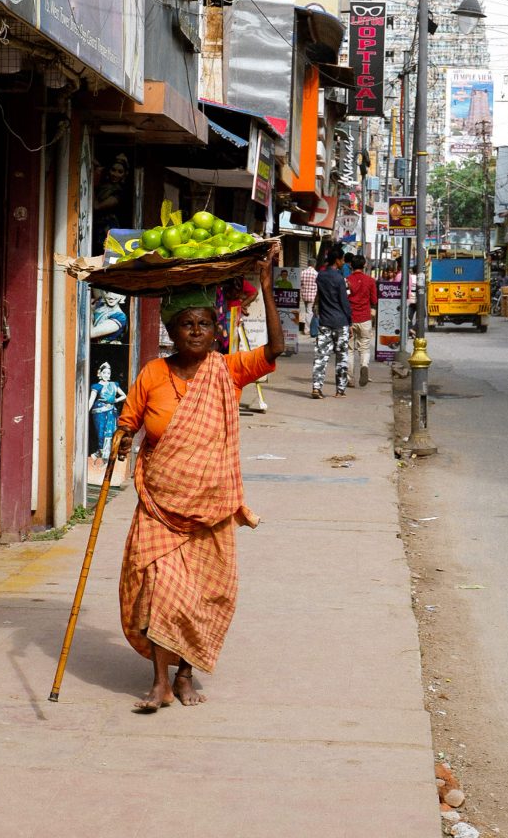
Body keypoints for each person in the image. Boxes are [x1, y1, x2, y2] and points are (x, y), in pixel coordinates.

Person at [116, 248, 284, 711]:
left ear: (216, 331)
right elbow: (129, 418)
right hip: (158, 505)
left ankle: (185, 674)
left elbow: (275, 351)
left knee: (199, 595)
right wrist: (124, 438)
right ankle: (160, 683)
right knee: (157, 588)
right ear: (170, 332)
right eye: (185, 324)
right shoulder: (153, 372)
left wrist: (267, 288)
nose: (195, 331)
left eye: (204, 324)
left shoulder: (227, 371)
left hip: (210, 508)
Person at [311, 244, 352, 399]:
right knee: (341, 357)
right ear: (337, 260)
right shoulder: (339, 278)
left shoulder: (320, 276)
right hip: (340, 322)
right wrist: (350, 321)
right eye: (341, 259)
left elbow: (319, 298)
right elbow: (344, 302)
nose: (342, 262)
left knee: (320, 356)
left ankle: (316, 388)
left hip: (324, 321)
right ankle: (340, 390)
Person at [346, 254, 378, 388]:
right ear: (364, 265)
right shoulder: (370, 281)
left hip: (350, 319)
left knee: (349, 349)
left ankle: (350, 379)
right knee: (364, 347)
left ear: (350, 265)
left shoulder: (347, 280)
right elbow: (374, 301)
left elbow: (344, 299)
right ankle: (364, 366)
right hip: (365, 318)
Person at [89, 362, 127, 460]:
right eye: (104, 373)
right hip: (99, 412)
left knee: (112, 432)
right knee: (100, 432)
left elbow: (124, 396)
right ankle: (101, 452)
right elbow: (91, 400)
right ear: (100, 373)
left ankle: (109, 454)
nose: (106, 375)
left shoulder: (114, 385)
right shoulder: (96, 386)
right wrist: (86, 412)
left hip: (111, 411)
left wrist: (116, 400)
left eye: (108, 373)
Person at [300, 262, 318, 334]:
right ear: (314, 265)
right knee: (309, 312)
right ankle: (307, 329)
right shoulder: (316, 273)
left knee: (307, 311)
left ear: (308, 264)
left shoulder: (302, 272)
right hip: (312, 296)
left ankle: (308, 328)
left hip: (304, 295)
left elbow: (300, 283)